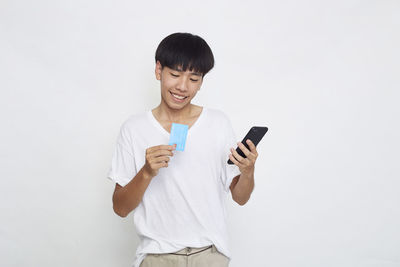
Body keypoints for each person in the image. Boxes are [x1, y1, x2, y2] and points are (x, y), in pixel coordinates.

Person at [107, 32, 258, 267]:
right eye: (175, 75)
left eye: (194, 79)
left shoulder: (218, 123)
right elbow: (120, 208)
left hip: (210, 254)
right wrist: (146, 172)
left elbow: (240, 197)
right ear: (159, 70)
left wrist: (248, 171)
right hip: (156, 255)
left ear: (202, 82)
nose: (182, 87)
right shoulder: (134, 129)